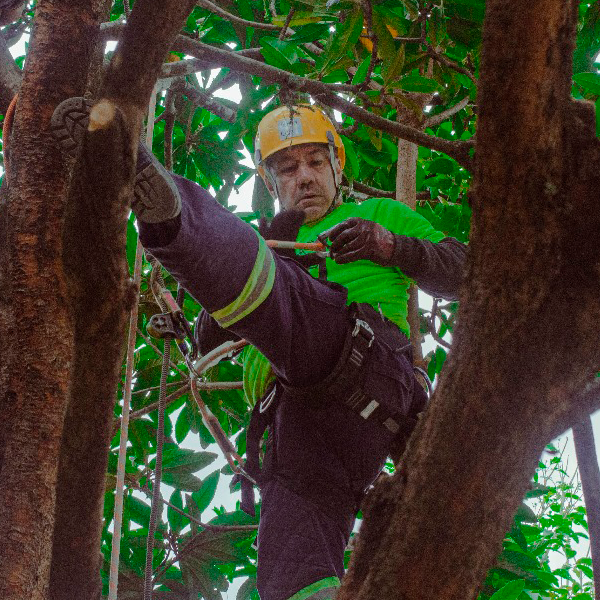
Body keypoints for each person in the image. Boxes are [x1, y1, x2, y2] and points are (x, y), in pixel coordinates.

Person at [52, 99, 466, 600]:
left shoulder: (378, 214)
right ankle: (174, 219)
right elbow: (211, 338)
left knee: (288, 294)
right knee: (292, 577)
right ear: (270, 184)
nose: (305, 177)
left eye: (316, 162)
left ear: (337, 166)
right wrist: (266, 244)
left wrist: (391, 247)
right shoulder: (262, 242)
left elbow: (466, 272)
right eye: (288, 169)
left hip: (368, 363)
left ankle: (174, 223)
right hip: (297, 427)